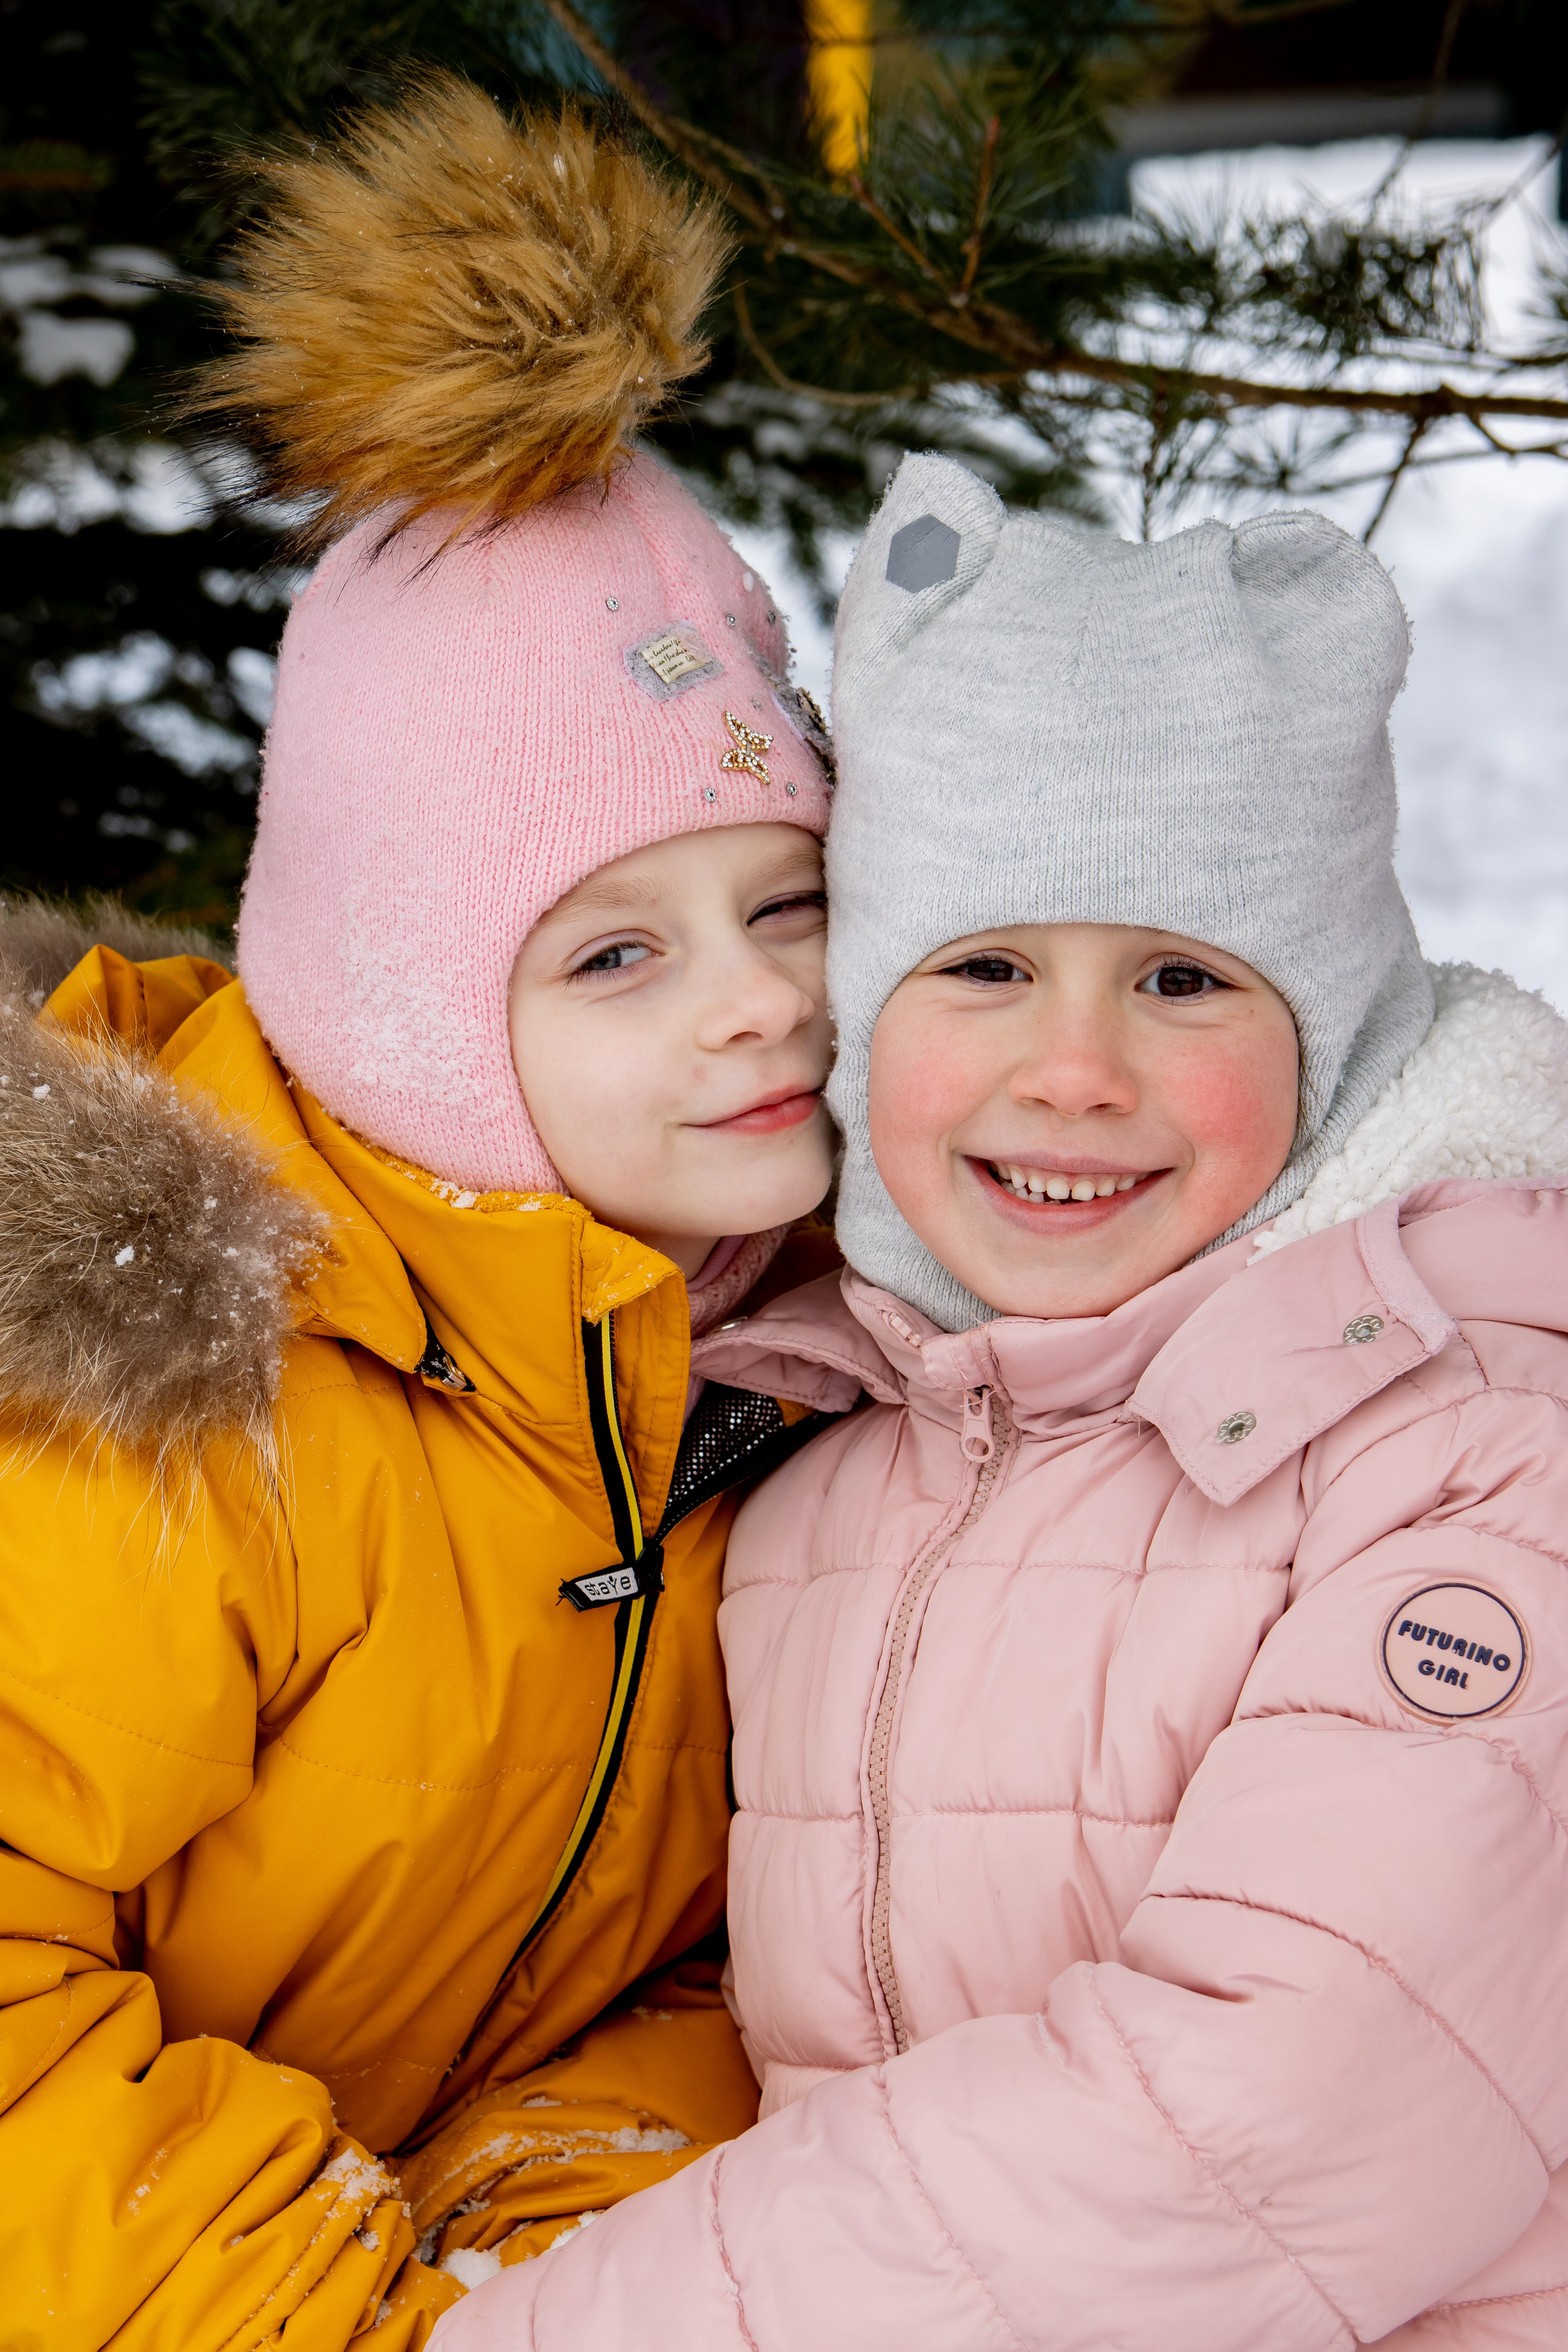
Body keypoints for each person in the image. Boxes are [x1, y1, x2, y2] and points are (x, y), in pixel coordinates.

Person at [439, 452, 1568, 2352]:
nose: (1072, 1070)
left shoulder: (1465, 1464)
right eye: (981, 965)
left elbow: (1263, 2113)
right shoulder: (816, 1471)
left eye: (1187, 981)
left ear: (1340, 1027)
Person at [0, 78, 838, 2347]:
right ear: (409, 1008)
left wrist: (561, 2231)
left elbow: (698, 1941)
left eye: (795, 900)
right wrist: (351, 2319)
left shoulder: (788, 1353)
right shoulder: (187, 1392)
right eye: (617, 951)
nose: (763, 1007)